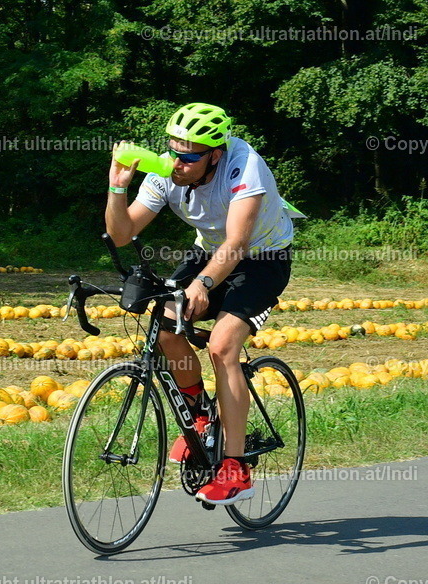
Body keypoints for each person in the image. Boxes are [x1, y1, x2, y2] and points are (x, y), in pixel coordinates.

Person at [104, 102, 300, 505]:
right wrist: (117, 186)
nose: (177, 162)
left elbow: (238, 243)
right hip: (209, 250)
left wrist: (204, 284)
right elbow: (122, 234)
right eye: (173, 150)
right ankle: (198, 413)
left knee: (222, 345)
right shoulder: (166, 170)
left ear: (215, 154)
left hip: (262, 258)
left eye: (189, 156)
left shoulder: (243, 165)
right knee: (165, 323)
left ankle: (235, 465)